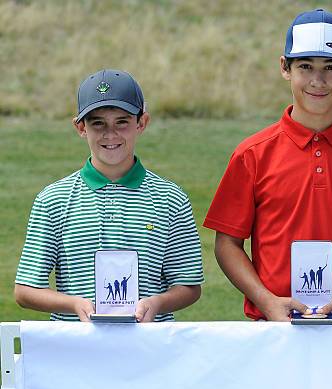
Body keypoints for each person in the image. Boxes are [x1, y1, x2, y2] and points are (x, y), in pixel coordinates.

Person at [204, 9, 332, 321]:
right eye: (305, 66)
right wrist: (266, 301)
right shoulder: (253, 153)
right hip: (273, 324)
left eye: (330, 67)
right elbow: (227, 244)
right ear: (285, 68)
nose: (317, 80)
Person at [14, 69, 203, 322]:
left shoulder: (170, 198)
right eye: (98, 123)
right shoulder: (53, 200)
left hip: (149, 350)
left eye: (122, 122)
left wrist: (158, 302)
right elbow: (25, 290)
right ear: (81, 127)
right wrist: (74, 304)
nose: (110, 134)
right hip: (76, 351)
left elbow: (188, 285)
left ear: (142, 123)